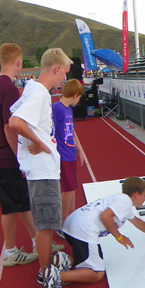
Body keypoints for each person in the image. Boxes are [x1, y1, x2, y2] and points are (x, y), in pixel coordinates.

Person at [39, 177, 145, 288]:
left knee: (90, 256)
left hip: (71, 226)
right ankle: (57, 276)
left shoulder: (121, 201)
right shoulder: (125, 202)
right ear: (136, 194)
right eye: (144, 195)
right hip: (83, 231)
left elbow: (137, 222)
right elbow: (105, 216)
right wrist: (119, 237)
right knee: (97, 273)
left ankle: (65, 260)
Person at [9, 48, 72, 281]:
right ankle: (45, 274)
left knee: (46, 223)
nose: (64, 78)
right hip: (43, 170)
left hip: (39, 168)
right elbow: (14, 121)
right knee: (46, 226)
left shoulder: (31, 88)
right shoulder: (40, 94)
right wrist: (37, 143)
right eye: (64, 72)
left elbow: (15, 117)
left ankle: (46, 269)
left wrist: (26, 144)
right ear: (56, 69)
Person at [0, 43, 38, 267]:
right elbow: (10, 126)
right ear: (18, 62)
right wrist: (20, 158)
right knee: (11, 205)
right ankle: (10, 251)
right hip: (5, 156)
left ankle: (38, 241)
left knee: (22, 202)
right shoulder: (7, 87)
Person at [51, 79, 85, 226]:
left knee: (72, 188)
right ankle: (63, 222)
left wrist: (80, 150)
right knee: (68, 190)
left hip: (70, 154)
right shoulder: (56, 108)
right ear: (75, 95)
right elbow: (49, 131)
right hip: (62, 155)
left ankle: (71, 218)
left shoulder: (69, 110)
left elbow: (71, 133)